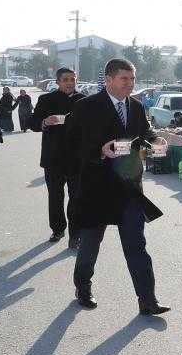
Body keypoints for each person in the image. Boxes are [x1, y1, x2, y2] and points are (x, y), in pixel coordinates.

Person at [66, 58, 169, 315]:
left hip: (128, 188)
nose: (130, 84)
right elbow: (72, 143)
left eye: (132, 79)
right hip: (96, 187)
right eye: (125, 79)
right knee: (90, 242)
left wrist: (156, 140)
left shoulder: (135, 106)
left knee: (136, 245)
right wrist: (99, 151)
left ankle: (147, 300)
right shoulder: (86, 107)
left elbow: (144, 133)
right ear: (109, 80)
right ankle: (83, 287)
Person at [30, 67, 85, 247]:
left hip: (77, 158)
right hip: (53, 157)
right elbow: (32, 122)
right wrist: (45, 122)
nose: (70, 83)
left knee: (76, 197)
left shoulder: (84, 100)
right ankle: (57, 229)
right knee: (55, 196)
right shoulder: (46, 99)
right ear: (58, 82)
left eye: (72, 79)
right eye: (66, 80)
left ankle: (75, 235)